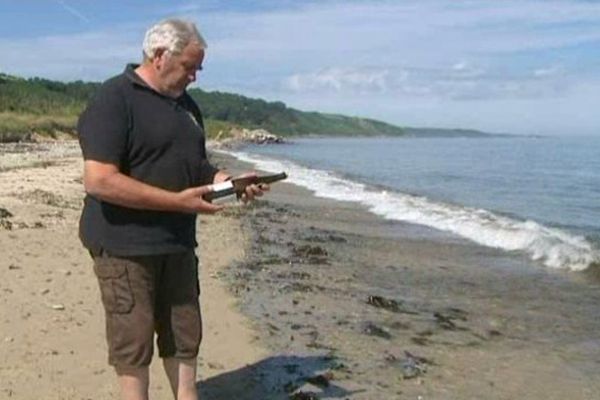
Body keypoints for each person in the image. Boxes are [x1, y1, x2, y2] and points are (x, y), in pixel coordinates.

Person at [77, 18, 266, 400]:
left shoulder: (188, 107)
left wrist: (229, 182)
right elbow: (99, 179)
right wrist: (176, 202)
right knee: (133, 341)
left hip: (178, 243)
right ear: (159, 55)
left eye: (198, 68)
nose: (194, 76)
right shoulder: (114, 99)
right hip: (123, 245)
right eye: (189, 67)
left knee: (184, 333)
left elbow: (195, 166)